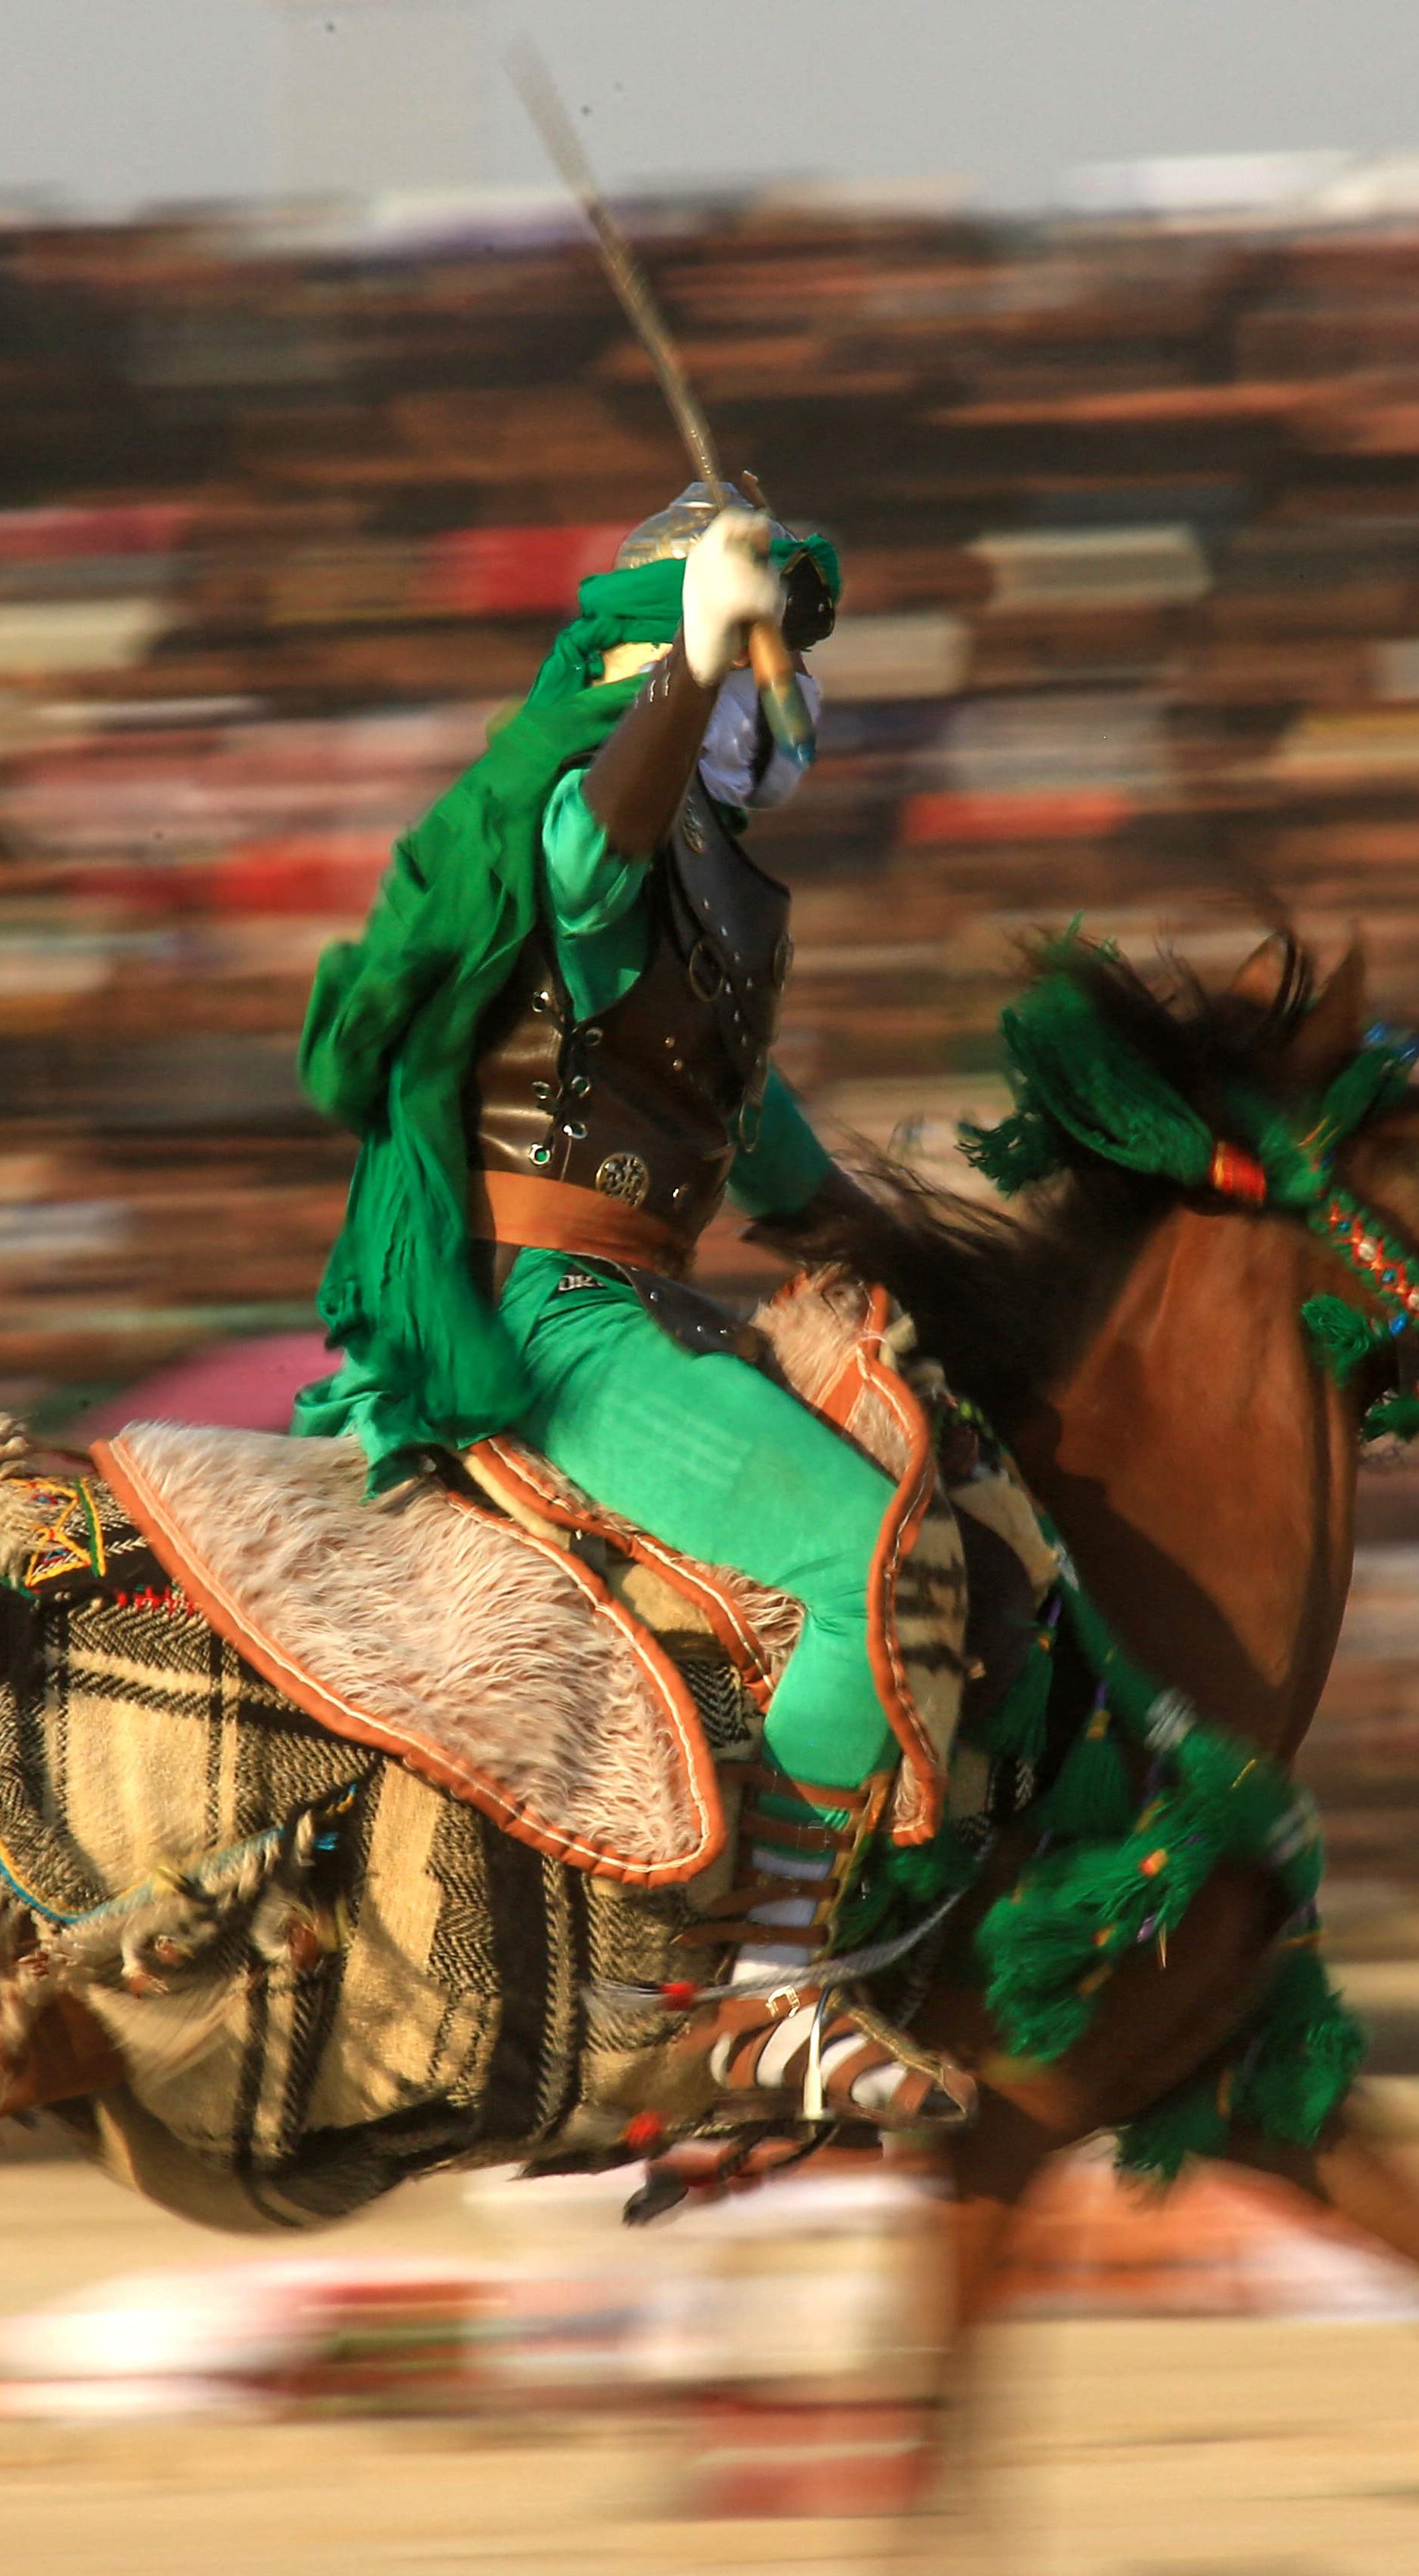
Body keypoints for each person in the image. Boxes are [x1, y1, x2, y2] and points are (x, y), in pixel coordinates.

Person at [294, 487, 960, 2138]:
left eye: (774, 658)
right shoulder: (587, 867)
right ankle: (771, 1988)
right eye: (749, 659)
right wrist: (682, 654)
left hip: (649, 1307)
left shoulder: (721, 939)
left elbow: (801, 1187)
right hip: (548, 1317)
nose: (776, 689)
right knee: (857, 1551)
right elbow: (601, 835)